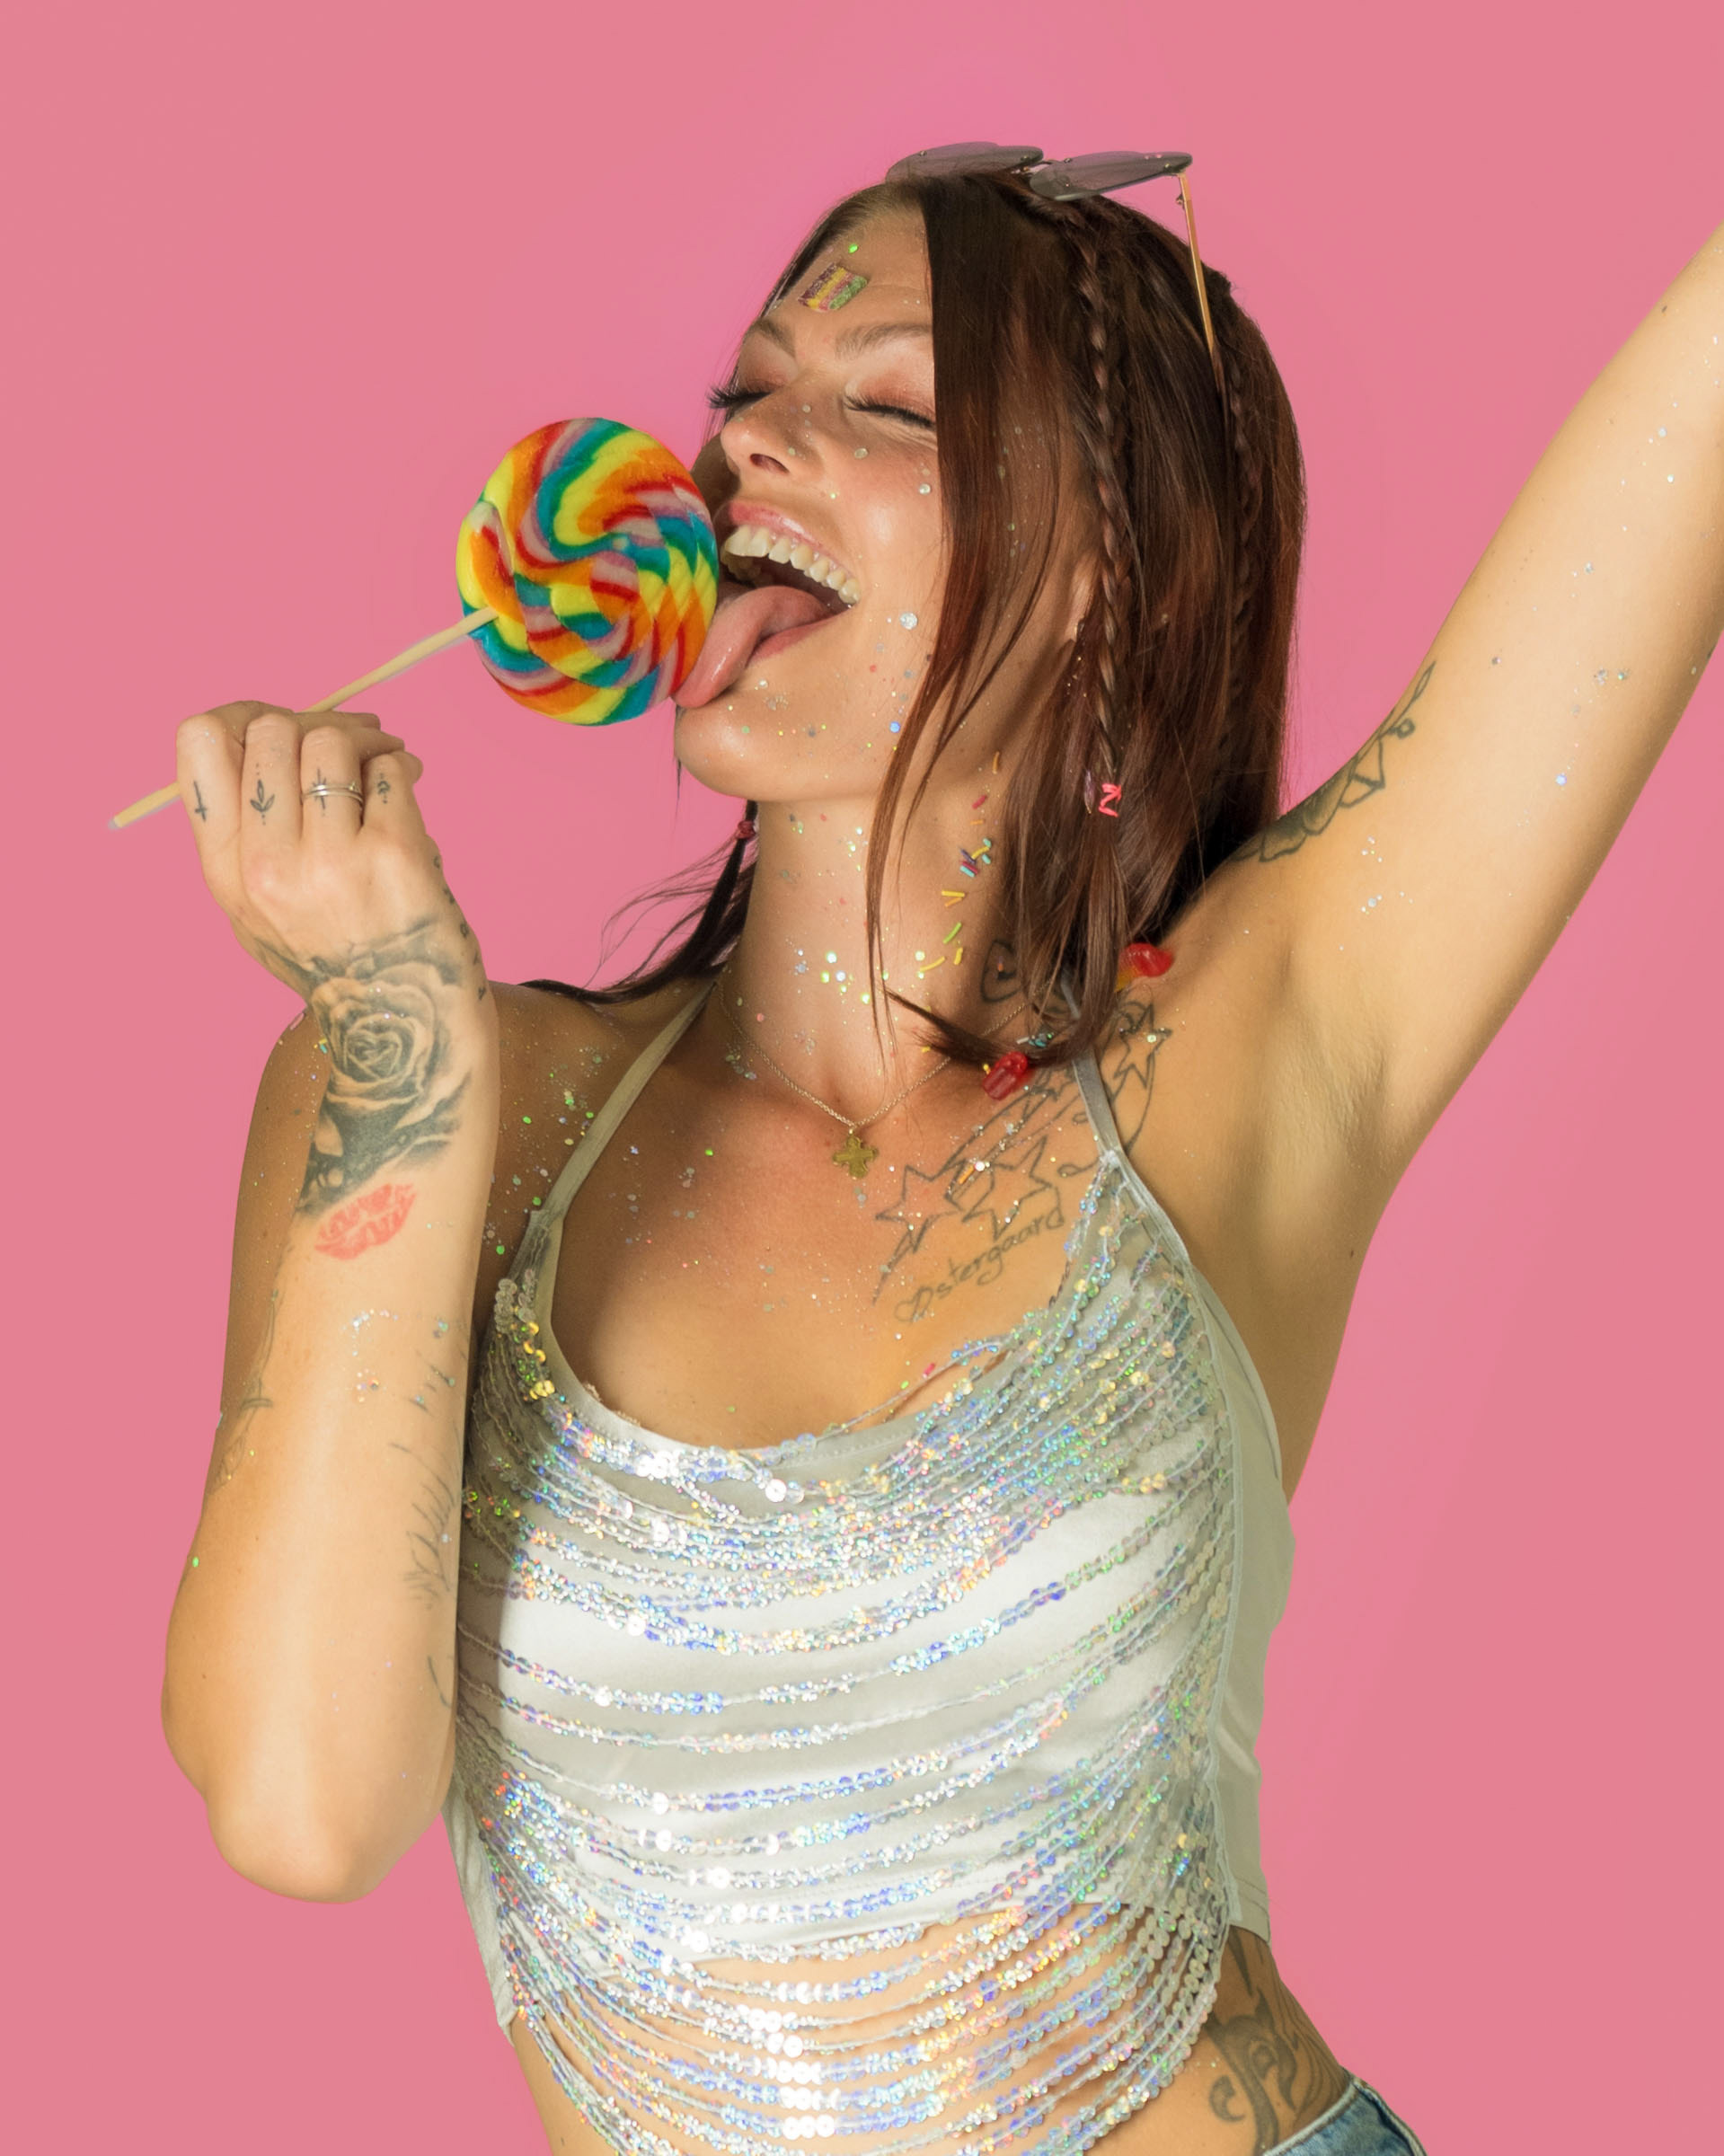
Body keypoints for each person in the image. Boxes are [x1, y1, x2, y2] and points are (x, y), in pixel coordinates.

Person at [160, 143, 1722, 2155]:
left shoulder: (1245, 1050)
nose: (741, 453)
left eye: (882, 405)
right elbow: (302, 1798)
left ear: (1113, 576)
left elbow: (1680, 455)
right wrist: (386, 1024)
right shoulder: (470, 1095)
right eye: (741, 396)